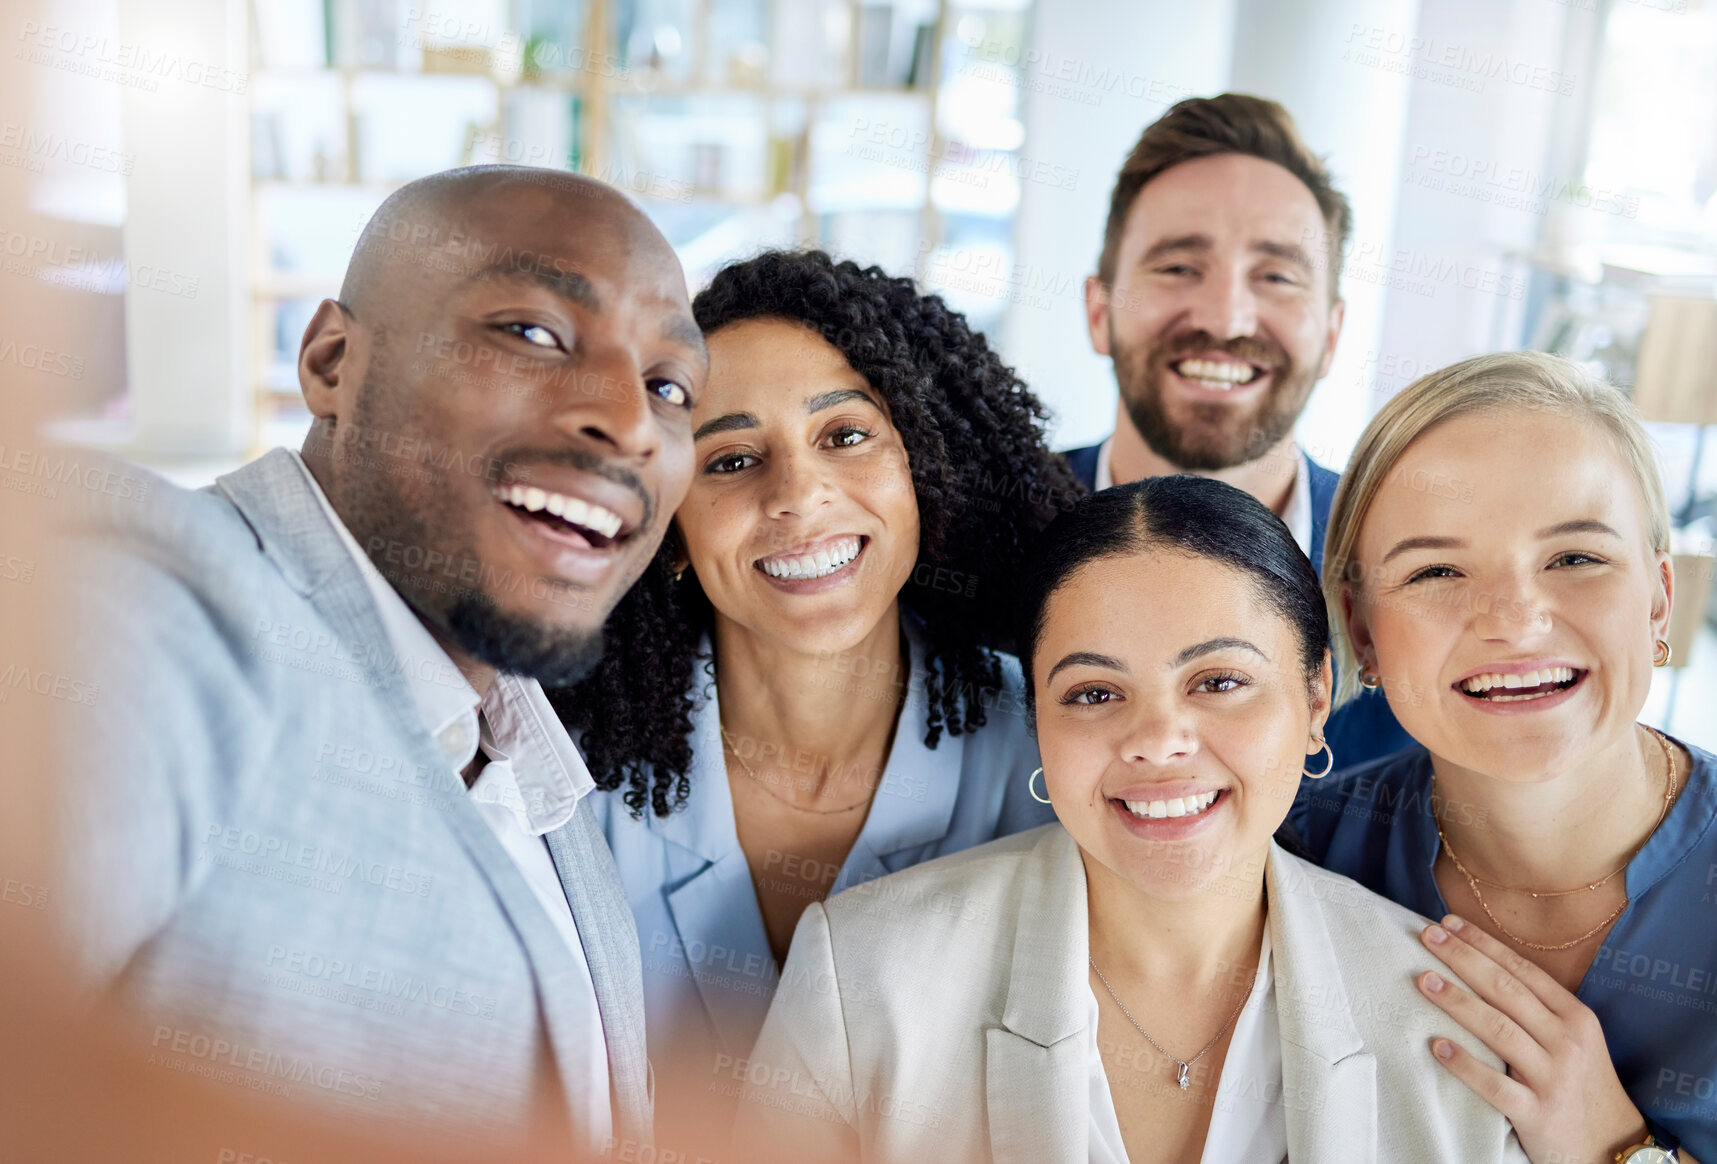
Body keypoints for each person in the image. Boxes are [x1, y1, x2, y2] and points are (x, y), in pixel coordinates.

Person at [52, 166, 709, 1156]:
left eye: (669, 387)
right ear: (331, 361)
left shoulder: (546, 780)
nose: (625, 419)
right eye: (532, 334)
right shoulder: (157, 594)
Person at [732, 475, 1527, 1164]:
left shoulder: (1447, 1018)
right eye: (1093, 694)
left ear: (1315, 696)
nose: (1156, 743)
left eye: (1218, 682)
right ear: (1037, 715)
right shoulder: (865, 974)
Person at [549, 249, 1081, 1144]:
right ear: (670, 519)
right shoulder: (570, 768)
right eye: (731, 459)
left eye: (844, 435)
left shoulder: (1055, 753)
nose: (797, 496)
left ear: (926, 472)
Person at [1289, 351, 1714, 1164]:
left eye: (1574, 558)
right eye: (1436, 570)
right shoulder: (1291, 861)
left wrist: (1617, 1149)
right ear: (1363, 628)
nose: (1514, 621)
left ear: (1658, 599)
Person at [1062, 92, 1411, 768]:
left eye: (1276, 276)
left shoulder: (1411, 580)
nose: (1226, 319)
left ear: (1331, 335)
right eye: (1176, 268)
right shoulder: (967, 551)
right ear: (1098, 310)